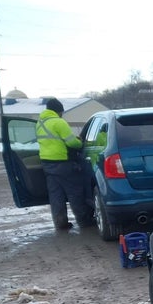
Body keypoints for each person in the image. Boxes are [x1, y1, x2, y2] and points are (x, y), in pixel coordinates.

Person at [36, 97, 95, 230]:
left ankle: (60, 223)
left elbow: (53, 141)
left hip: (46, 163)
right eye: (62, 112)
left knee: (56, 194)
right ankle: (84, 221)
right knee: (75, 192)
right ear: (58, 111)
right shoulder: (59, 122)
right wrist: (80, 143)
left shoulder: (40, 123)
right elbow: (71, 142)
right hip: (62, 162)